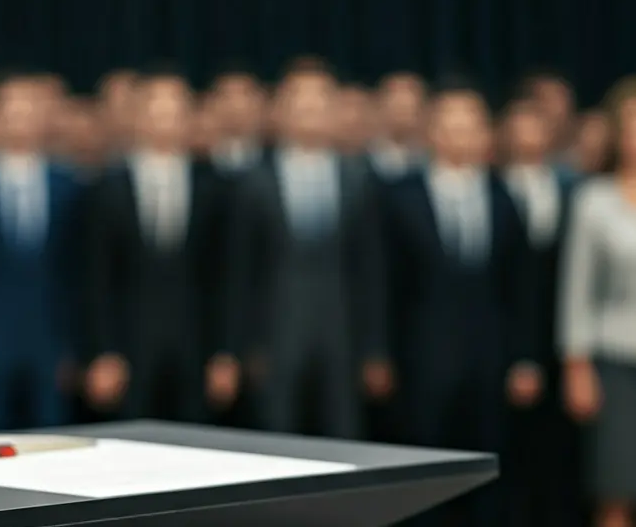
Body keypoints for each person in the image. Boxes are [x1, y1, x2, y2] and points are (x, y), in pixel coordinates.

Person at [385, 83, 541, 527]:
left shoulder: (504, 197)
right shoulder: (400, 197)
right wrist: (381, 355)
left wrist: (525, 358)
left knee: (489, 472)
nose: (460, 135)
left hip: (491, 360)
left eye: (470, 126)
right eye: (450, 126)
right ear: (431, 132)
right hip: (422, 360)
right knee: (423, 475)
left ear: (486, 135)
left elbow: (522, 289)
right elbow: (385, 286)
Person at [221, 59, 389, 439]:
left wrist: (375, 348)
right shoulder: (254, 181)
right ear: (279, 109)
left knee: (343, 436)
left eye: (320, 100)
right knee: (276, 436)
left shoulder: (358, 179)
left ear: (335, 110)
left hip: (343, 334)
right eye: (299, 99)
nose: (310, 109)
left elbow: (371, 271)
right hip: (277, 333)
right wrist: (241, 346)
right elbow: (240, 274)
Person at [83, 70, 221, 422]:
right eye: (155, 110)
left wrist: (224, 352)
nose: (165, 120)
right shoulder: (107, 187)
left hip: (195, 343)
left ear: (190, 118)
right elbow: (96, 278)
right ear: (137, 118)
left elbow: (224, 277)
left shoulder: (212, 186)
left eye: (175, 111)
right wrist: (103, 351)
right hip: (129, 343)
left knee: (197, 442)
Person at [0, 73, 82, 431]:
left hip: (50, 340)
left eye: (30, 109)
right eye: (12, 109)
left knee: (53, 439)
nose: (21, 118)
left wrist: (75, 348)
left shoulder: (69, 187)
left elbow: (78, 276)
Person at [559, 75, 636, 527]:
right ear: (618, 134)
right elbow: (577, 291)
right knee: (617, 494)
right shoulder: (594, 201)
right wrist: (576, 365)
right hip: (616, 366)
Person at [498, 98, 582, 527]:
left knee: (560, 458)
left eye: (540, 126)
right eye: (521, 125)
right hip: (507, 344)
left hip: (565, 339)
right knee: (511, 456)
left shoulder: (574, 188)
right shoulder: (491, 190)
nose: (531, 135)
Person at [369, 71, 427, 181]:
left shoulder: (429, 163)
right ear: (381, 107)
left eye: (408, 110)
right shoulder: (363, 161)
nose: (402, 118)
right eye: (398, 109)